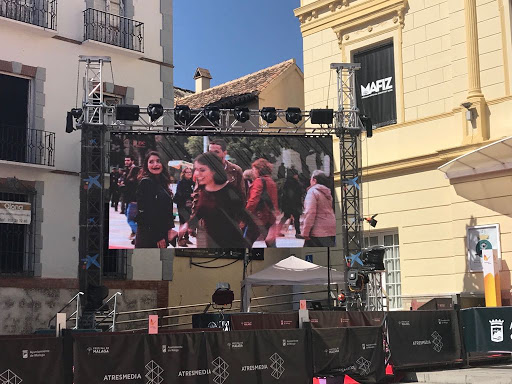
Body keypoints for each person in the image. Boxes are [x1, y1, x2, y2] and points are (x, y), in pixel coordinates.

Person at [180, 152, 255, 248]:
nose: (196, 174)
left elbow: (248, 220)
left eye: (202, 170)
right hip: (212, 244)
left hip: (230, 246)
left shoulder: (229, 192)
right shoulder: (205, 189)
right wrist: (187, 226)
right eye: (196, 169)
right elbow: (200, 211)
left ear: (214, 170)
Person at [135, 151, 175, 248]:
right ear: (146, 165)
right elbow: (146, 214)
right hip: (150, 236)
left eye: (158, 161)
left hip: (160, 233)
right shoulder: (146, 183)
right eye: (151, 162)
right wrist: (158, 236)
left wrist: (170, 228)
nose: (155, 164)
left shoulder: (161, 184)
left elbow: (165, 210)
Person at [246, 158, 279, 247]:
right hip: (269, 216)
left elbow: (253, 200)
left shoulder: (259, 181)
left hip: (258, 216)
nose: (253, 172)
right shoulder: (271, 181)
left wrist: (246, 213)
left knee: (245, 241)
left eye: (254, 169)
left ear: (258, 170)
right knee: (271, 243)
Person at [302, 170, 336, 247]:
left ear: (314, 180)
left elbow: (310, 212)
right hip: (331, 229)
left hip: (318, 231)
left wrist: (305, 232)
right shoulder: (327, 192)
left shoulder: (312, 191)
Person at [208, 138, 246, 202]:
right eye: (210, 152)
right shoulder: (203, 170)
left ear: (224, 153)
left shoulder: (235, 170)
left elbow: (242, 194)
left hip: (230, 209)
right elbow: (197, 194)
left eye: (216, 152)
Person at [120, 155, 140, 240]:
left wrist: (123, 185)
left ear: (132, 161)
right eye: (125, 160)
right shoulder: (127, 171)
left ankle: (137, 233)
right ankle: (134, 232)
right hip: (128, 198)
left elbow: (130, 186)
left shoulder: (135, 171)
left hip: (132, 199)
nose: (126, 162)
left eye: (128, 160)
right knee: (127, 214)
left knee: (130, 218)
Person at [278, 172, 304, 238]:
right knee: (296, 218)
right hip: (295, 204)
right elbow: (298, 193)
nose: (297, 176)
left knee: (285, 217)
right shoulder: (296, 183)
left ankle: (277, 230)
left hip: (287, 204)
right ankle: (298, 233)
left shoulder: (285, 183)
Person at [174, 166, 194, 247]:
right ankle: (180, 240)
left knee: (188, 222)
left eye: (190, 172)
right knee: (183, 222)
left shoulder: (192, 182)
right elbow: (179, 193)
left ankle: (186, 238)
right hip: (182, 204)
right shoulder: (181, 182)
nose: (189, 174)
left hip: (189, 204)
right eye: (187, 172)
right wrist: (190, 194)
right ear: (184, 173)